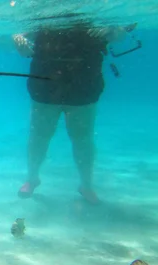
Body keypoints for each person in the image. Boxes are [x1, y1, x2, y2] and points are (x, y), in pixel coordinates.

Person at [13, 24, 127, 204]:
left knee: (82, 138)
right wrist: (18, 38)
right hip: (46, 86)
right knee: (39, 136)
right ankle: (32, 178)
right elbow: (22, 33)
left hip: (83, 86)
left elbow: (123, 31)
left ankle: (86, 185)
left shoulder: (95, 14)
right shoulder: (46, 15)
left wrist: (112, 28)